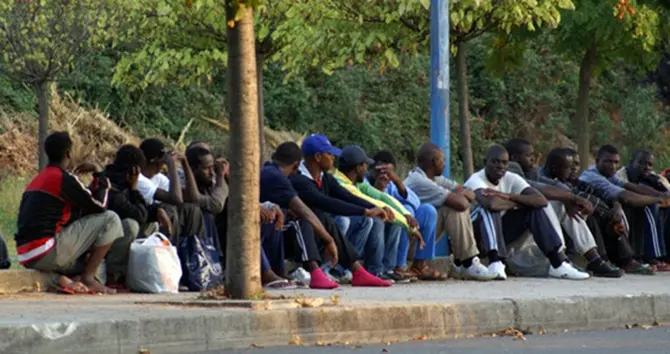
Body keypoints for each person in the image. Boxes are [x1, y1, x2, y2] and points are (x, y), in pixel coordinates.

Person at [267, 140, 392, 288]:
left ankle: (357, 270)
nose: (333, 158)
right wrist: (364, 211)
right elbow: (326, 202)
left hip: (310, 233)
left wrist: (375, 207)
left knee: (326, 219)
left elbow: (345, 196)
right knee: (310, 219)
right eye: (329, 154)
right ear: (318, 157)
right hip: (286, 235)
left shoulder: (325, 177)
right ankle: (318, 272)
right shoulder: (298, 179)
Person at [15, 131, 123, 294]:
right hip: (45, 249)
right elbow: (100, 206)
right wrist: (99, 173)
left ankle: (69, 278)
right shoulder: (62, 179)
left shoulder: (39, 178)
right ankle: (88, 278)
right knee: (111, 219)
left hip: (26, 254)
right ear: (68, 154)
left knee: (89, 255)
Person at [464, 144, 590, 280]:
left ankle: (558, 263)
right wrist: (518, 202)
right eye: (495, 162)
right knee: (490, 209)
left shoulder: (511, 177)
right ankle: (496, 262)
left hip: (502, 234)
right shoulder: (476, 180)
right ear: (485, 163)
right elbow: (491, 203)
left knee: (533, 207)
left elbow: (540, 200)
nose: (500, 166)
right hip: (477, 238)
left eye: (504, 163)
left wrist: (509, 196)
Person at [504, 139, 621, 277]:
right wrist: (571, 198)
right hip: (512, 249)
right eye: (529, 155)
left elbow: (552, 185)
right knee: (546, 202)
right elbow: (534, 188)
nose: (534, 159)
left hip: (529, 244)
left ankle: (593, 259)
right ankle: (561, 260)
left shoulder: (529, 171)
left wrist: (569, 199)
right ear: (514, 158)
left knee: (561, 203)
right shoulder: (508, 171)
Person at [543, 148, 652, 274]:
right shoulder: (549, 178)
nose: (573, 169)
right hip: (550, 220)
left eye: (576, 164)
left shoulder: (576, 181)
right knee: (585, 214)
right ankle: (601, 260)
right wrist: (572, 200)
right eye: (569, 166)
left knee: (609, 214)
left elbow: (601, 194)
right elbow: (547, 189)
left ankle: (621, 260)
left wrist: (616, 207)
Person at [404, 143, 496, 281]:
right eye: (443, 160)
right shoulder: (420, 182)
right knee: (453, 209)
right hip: (407, 244)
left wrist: (463, 194)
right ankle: (467, 262)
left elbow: (465, 190)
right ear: (435, 161)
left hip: (418, 240)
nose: (445, 164)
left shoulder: (433, 178)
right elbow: (462, 203)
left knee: (451, 205)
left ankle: (464, 262)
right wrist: (463, 195)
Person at [333, 145, 423, 283]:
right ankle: (363, 270)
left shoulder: (358, 181)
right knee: (373, 219)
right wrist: (410, 228)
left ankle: (387, 269)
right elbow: (366, 201)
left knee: (392, 221)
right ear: (358, 168)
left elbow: (382, 197)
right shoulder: (341, 183)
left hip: (352, 233)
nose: (366, 169)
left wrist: (406, 215)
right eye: (365, 165)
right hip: (336, 228)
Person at [579, 145, 670, 271]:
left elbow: (631, 187)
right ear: (597, 161)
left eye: (616, 162)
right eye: (608, 161)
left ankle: (634, 258)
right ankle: (634, 259)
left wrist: (662, 194)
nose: (612, 166)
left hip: (603, 209)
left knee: (627, 209)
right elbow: (627, 197)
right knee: (636, 207)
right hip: (590, 212)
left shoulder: (610, 175)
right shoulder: (592, 176)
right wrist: (659, 199)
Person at [367, 150, 439, 281]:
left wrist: (398, 182)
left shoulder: (392, 184)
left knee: (428, 210)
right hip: (381, 233)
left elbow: (415, 202)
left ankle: (419, 265)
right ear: (372, 170)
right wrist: (379, 189)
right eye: (380, 171)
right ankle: (398, 266)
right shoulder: (365, 182)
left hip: (405, 235)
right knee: (402, 213)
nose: (385, 176)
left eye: (388, 172)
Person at [138, 138, 204, 244]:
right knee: (169, 209)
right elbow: (176, 199)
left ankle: (193, 253)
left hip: (154, 223)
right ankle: (172, 251)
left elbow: (193, 197)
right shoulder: (138, 178)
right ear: (154, 159)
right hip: (143, 224)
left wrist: (185, 162)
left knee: (192, 209)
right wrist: (171, 164)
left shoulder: (158, 177)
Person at [103, 145, 151, 285]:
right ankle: (113, 273)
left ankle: (136, 272)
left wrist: (158, 210)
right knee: (131, 225)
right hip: (105, 242)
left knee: (152, 224)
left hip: (115, 238)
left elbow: (145, 212)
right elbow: (140, 214)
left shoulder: (125, 183)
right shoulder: (112, 185)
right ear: (134, 170)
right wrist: (134, 189)